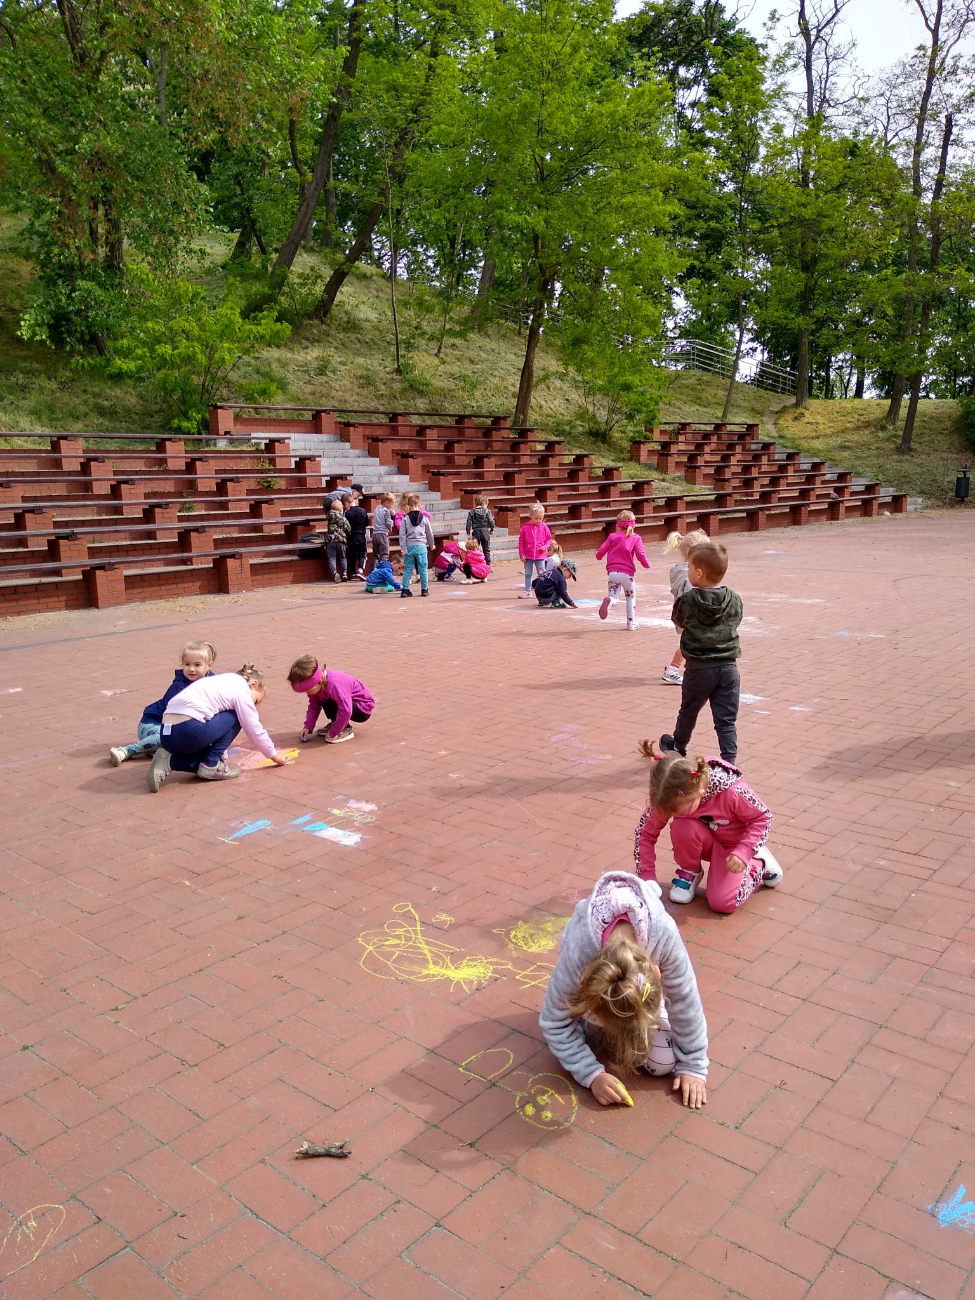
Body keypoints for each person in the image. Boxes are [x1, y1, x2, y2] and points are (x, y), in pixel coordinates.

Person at [539, 870, 709, 1109]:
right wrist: (591, 1075)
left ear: (657, 975)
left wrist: (693, 1065)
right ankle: (594, 1017)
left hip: (637, 973)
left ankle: (636, 1011)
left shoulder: (665, 935)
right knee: (577, 1022)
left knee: (662, 1064)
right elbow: (553, 1023)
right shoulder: (578, 956)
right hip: (592, 969)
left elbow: (685, 1001)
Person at [635, 742, 782, 910]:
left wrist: (745, 850)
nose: (672, 815)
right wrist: (646, 877)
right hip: (706, 840)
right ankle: (690, 872)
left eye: (678, 810)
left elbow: (763, 817)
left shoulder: (732, 791)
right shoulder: (668, 796)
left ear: (699, 793)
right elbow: (644, 833)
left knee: (723, 903)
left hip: (733, 848)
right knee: (681, 825)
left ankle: (759, 863)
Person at [659, 541, 742, 764]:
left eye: (689, 568)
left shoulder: (688, 600)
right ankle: (729, 762)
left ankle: (678, 746)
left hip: (699, 669)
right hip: (728, 668)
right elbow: (736, 619)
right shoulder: (733, 598)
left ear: (699, 573)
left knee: (689, 711)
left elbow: (678, 620)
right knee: (725, 720)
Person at [147, 664, 292, 791]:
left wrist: (220, 754)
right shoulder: (241, 690)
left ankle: (171, 761)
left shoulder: (222, 681)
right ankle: (211, 764)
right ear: (253, 684)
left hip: (166, 734)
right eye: (255, 701)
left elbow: (212, 719)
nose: (252, 705)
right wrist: (273, 754)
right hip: (187, 730)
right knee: (238, 716)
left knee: (205, 759)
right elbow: (253, 726)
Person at [110, 641, 216, 766]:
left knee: (186, 739)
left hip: (176, 728)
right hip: (151, 724)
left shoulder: (213, 683)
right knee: (174, 737)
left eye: (197, 665)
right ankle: (126, 751)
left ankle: (155, 749)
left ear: (209, 665)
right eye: (187, 664)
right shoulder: (178, 688)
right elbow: (177, 717)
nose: (191, 669)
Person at [288, 655, 376, 744]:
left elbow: (346, 710)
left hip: (362, 708)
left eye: (309, 690)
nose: (307, 693)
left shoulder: (335, 685)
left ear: (320, 680)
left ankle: (345, 729)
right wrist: (308, 726)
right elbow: (314, 706)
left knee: (330, 699)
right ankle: (337, 724)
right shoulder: (317, 686)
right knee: (323, 698)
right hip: (347, 704)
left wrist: (334, 732)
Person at [661, 530, 709, 684]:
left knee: (695, 641)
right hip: (690, 615)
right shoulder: (689, 573)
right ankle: (673, 669)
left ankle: (696, 668)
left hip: (685, 614)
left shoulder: (684, 570)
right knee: (690, 642)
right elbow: (692, 593)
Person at [596, 511, 650, 632]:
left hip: (612, 573)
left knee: (613, 596)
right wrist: (646, 564)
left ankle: (610, 602)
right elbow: (641, 554)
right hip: (627, 574)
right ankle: (631, 622)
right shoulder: (635, 538)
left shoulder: (612, 536)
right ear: (633, 523)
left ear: (618, 524)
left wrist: (598, 556)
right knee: (630, 597)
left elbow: (601, 550)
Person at [399, 494, 435, 598]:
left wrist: (403, 547)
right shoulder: (424, 518)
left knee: (408, 569)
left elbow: (402, 534)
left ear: (409, 506)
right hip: (421, 546)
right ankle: (424, 589)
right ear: (420, 505)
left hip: (409, 546)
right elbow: (429, 532)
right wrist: (431, 544)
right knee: (423, 568)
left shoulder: (405, 518)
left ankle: (405, 590)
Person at [518, 504, 553, 598]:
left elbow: (549, 539)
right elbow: (521, 542)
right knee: (528, 574)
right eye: (536, 518)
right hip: (528, 555)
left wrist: (545, 546)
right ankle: (528, 591)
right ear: (531, 517)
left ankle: (543, 590)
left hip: (540, 555)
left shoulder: (544, 527)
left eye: (540, 518)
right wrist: (522, 554)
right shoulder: (525, 528)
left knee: (542, 574)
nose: (538, 521)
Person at [344, 494, 371, 581]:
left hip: (351, 537)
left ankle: (352, 573)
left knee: (351, 555)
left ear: (347, 503)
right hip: (361, 536)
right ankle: (360, 569)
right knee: (362, 554)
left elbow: (346, 526)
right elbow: (367, 522)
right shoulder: (363, 511)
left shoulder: (347, 513)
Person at [465, 495, 495, 565]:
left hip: (476, 532)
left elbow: (468, 522)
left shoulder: (471, 512)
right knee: (486, 549)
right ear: (484, 503)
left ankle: (476, 564)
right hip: (485, 531)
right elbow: (491, 521)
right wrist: (492, 528)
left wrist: (468, 533)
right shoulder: (487, 511)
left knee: (475, 549)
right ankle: (488, 565)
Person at [325, 499, 351, 582]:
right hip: (341, 540)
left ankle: (335, 573)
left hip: (330, 540)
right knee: (343, 557)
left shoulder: (329, 516)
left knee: (332, 558)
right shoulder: (342, 518)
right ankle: (344, 574)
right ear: (340, 509)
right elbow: (348, 528)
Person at [372, 493, 395, 567]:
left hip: (375, 533)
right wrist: (393, 517)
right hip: (383, 534)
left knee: (375, 554)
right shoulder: (386, 511)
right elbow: (388, 522)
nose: (391, 506)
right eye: (391, 504)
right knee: (384, 554)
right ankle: (383, 570)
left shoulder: (376, 509)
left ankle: (374, 570)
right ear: (387, 502)